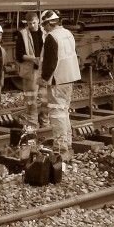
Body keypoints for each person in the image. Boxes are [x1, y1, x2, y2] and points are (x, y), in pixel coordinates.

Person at [38, 10, 81, 158]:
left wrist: (44, 79)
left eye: (44, 25)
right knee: (64, 112)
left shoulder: (52, 37)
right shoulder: (68, 33)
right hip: (69, 77)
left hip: (58, 79)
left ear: (48, 23)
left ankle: (60, 148)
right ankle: (67, 143)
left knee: (57, 113)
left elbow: (51, 61)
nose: (44, 29)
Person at [14, 12, 48, 129]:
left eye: (34, 22)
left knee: (45, 98)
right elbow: (19, 55)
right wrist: (34, 59)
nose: (32, 25)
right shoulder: (22, 34)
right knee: (31, 100)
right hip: (31, 72)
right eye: (29, 23)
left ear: (38, 21)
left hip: (44, 71)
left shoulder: (45, 32)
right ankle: (33, 125)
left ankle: (45, 123)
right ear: (26, 23)